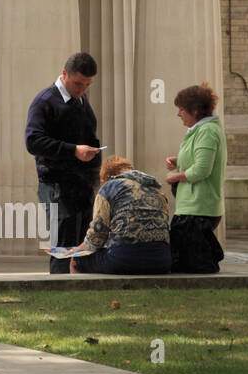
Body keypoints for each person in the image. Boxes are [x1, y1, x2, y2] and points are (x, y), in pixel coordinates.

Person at [25, 53, 104, 274]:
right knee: (64, 244)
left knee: (83, 244)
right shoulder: (45, 102)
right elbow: (33, 141)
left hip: (83, 184)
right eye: (78, 83)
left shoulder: (82, 100)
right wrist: (73, 151)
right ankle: (58, 288)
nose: (82, 89)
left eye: (87, 85)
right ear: (64, 74)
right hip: (57, 185)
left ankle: (82, 293)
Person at [66, 157, 171, 275]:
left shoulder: (109, 187)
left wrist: (77, 250)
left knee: (76, 260)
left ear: (106, 177)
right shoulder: (157, 189)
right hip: (161, 260)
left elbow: (96, 236)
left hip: (125, 259)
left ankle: (85, 293)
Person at [166, 83, 227, 274]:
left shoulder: (207, 131)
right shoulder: (202, 130)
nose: (179, 114)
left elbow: (201, 170)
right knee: (182, 256)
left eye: (181, 109)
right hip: (192, 205)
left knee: (191, 262)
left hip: (198, 205)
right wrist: (179, 162)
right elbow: (199, 160)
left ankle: (213, 256)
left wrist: (174, 176)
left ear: (195, 111)